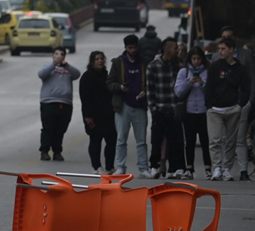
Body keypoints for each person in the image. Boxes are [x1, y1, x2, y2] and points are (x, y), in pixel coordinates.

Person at [212, 25, 255, 181]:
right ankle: (223, 168)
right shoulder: (217, 58)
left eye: (229, 37)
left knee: (240, 137)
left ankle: (243, 170)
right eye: (224, 37)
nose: (226, 40)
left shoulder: (246, 55)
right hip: (222, 103)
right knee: (223, 138)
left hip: (241, 102)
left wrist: (249, 100)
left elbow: (251, 78)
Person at [107, 34, 151, 178]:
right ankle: (120, 167)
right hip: (123, 105)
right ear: (125, 48)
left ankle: (144, 168)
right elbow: (109, 83)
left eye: (135, 47)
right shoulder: (118, 63)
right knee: (121, 139)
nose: (133, 50)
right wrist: (119, 87)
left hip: (139, 105)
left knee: (142, 140)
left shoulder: (144, 62)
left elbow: (151, 82)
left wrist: (146, 92)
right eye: (130, 48)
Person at [146, 37, 185, 179]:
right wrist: (153, 109)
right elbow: (150, 90)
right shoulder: (153, 66)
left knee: (177, 140)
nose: (178, 50)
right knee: (156, 140)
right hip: (160, 109)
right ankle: (154, 166)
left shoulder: (179, 65)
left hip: (174, 109)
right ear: (167, 49)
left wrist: (180, 108)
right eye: (175, 48)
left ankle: (176, 168)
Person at [37, 47, 81, 161]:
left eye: (61, 54)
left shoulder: (68, 69)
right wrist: (54, 64)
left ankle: (57, 151)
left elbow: (77, 75)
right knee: (48, 128)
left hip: (65, 103)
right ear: (53, 55)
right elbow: (41, 74)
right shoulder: (48, 67)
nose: (59, 56)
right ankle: (44, 151)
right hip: (49, 102)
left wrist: (66, 65)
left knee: (60, 129)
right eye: (56, 54)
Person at [175, 46, 212, 180]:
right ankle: (189, 168)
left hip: (204, 112)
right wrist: (189, 83)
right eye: (194, 59)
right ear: (190, 59)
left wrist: (202, 84)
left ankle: (208, 168)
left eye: (199, 59)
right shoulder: (184, 72)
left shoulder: (208, 72)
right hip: (189, 112)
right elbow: (178, 92)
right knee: (189, 141)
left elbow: (211, 92)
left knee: (205, 140)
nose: (196, 62)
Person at [79, 51, 117, 175]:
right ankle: (97, 166)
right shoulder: (87, 76)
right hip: (94, 116)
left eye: (101, 59)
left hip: (109, 114)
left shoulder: (107, 75)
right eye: (97, 59)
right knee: (95, 141)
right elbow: (85, 98)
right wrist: (88, 116)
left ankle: (110, 166)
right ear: (92, 62)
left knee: (111, 141)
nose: (100, 61)